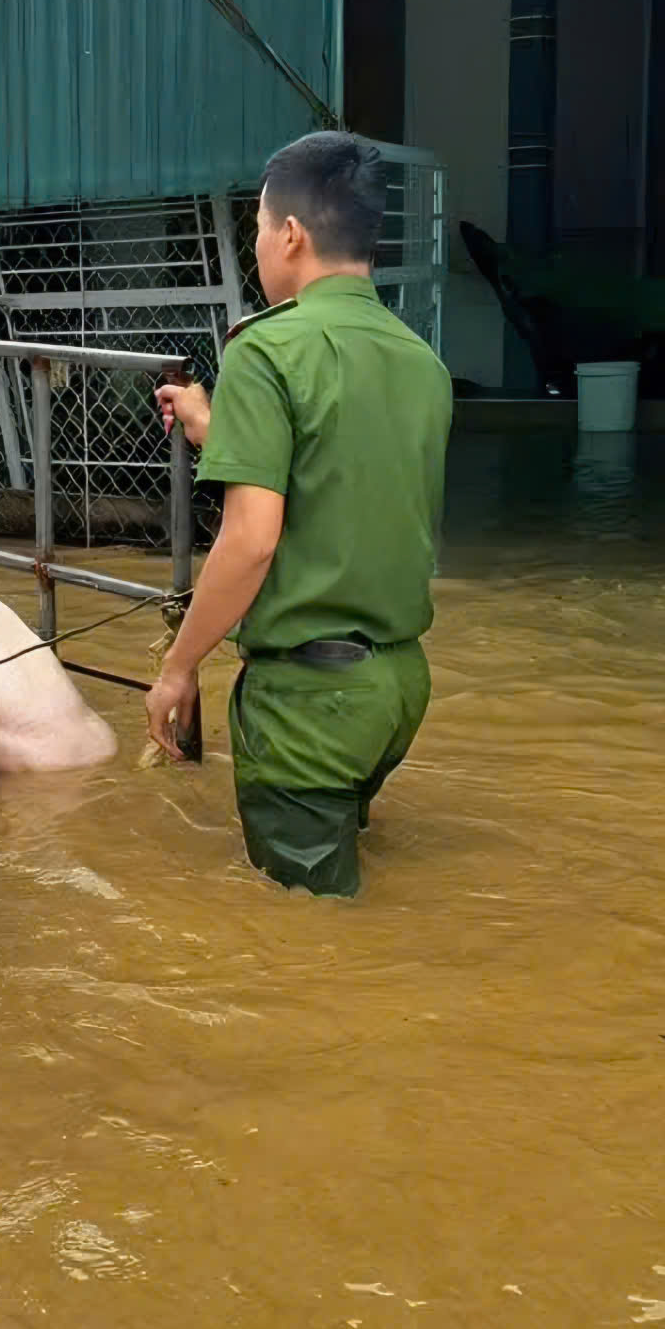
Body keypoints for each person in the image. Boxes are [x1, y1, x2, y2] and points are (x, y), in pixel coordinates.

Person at [146, 133, 453, 897]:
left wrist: (178, 667)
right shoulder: (421, 361)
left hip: (310, 703)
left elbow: (251, 541)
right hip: (397, 688)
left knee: (309, 934)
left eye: (256, 226)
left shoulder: (266, 350)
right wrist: (215, 426)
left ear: (289, 234)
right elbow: (341, 466)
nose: (256, 244)